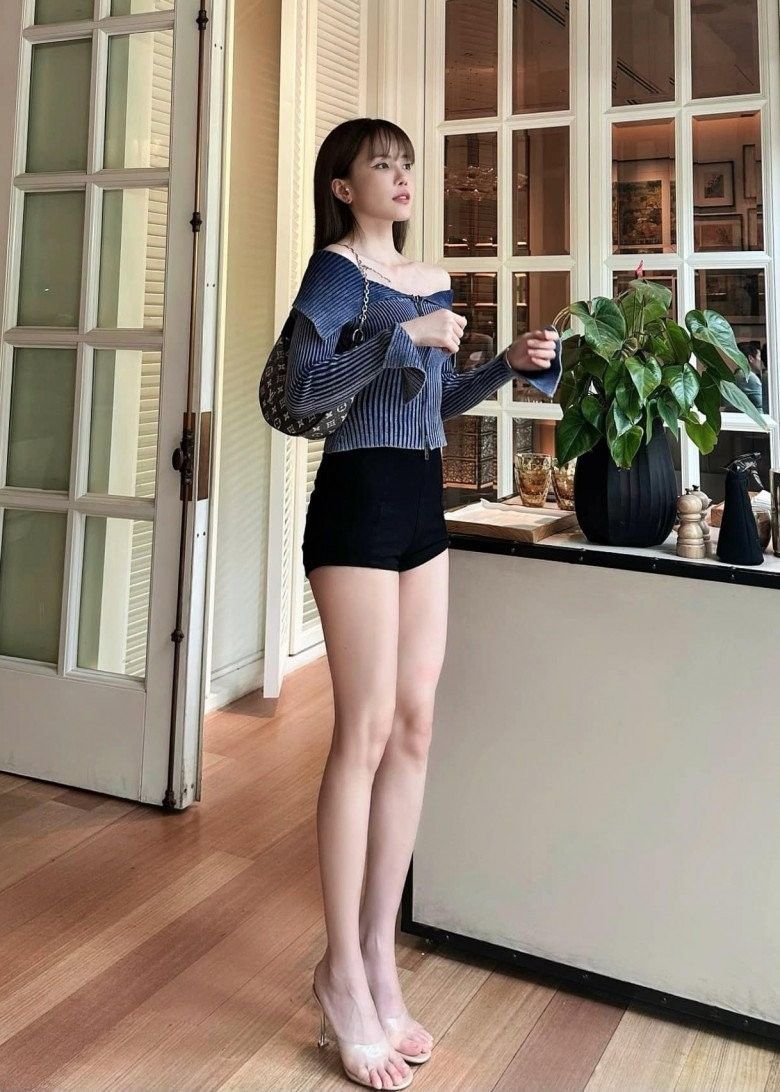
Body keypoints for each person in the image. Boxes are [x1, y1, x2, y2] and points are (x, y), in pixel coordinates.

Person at [287, 117, 561, 1091]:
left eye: (408, 164)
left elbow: (427, 402)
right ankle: (340, 973)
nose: (403, 176)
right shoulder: (337, 274)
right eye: (383, 165)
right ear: (343, 187)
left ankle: (375, 958)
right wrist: (397, 336)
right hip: (357, 501)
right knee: (362, 732)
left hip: (420, 502)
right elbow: (298, 392)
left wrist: (504, 366)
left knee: (413, 727)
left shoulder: (431, 278)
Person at [735, 341, 763, 411]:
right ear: (750, 358)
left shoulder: (738, 374)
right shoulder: (749, 377)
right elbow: (763, 403)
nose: (761, 361)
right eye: (759, 356)